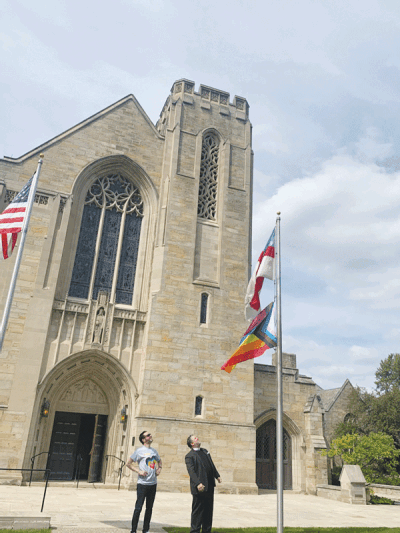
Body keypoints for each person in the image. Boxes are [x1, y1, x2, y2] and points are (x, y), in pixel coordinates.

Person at [126, 431, 162, 533]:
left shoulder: (154, 451)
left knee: (149, 508)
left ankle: (146, 529)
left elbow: (159, 461)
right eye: (148, 435)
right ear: (143, 439)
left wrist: (159, 469)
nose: (150, 436)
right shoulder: (139, 451)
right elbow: (128, 464)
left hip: (153, 484)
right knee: (138, 508)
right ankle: (133, 530)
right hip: (142, 484)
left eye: (150, 434)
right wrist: (139, 471)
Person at [185, 435, 221, 533]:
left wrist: (217, 475)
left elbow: (211, 464)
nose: (198, 438)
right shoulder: (190, 456)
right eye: (195, 438)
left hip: (209, 486)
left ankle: (206, 531)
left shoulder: (205, 451)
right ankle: (195, 531)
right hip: (200, 488)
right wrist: (198, 483)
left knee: (208, 511)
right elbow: (191, 472)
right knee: (198, 512)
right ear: (192, 444)